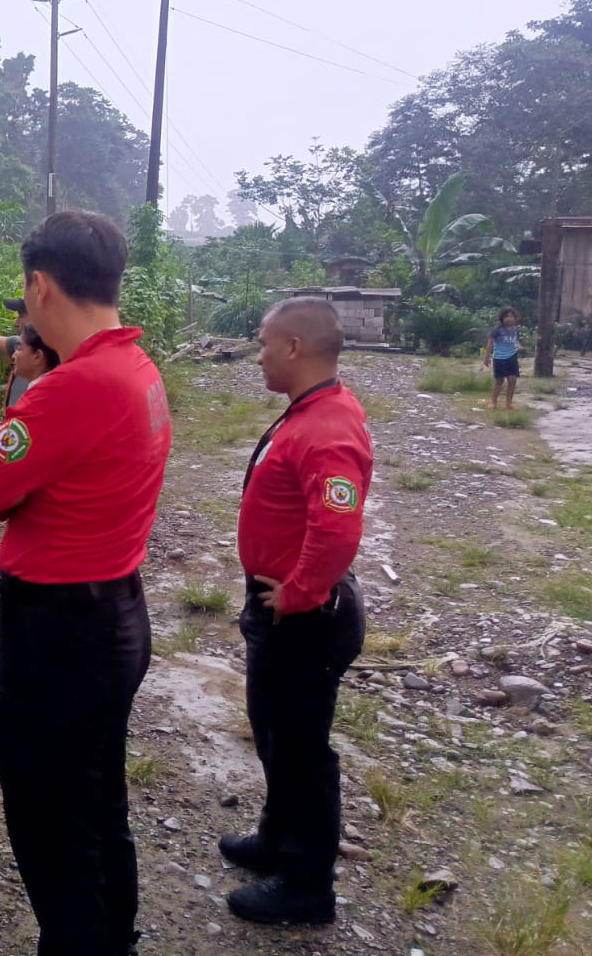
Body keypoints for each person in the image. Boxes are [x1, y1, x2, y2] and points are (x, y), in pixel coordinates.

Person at [0, 210, 173, 956]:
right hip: (112, 612)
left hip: (62, 634)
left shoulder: (75, 386)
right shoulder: (136, 368)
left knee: (52, 820)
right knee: (97, 804)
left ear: (40, 286)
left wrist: (26, 405)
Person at [222, 297, 371, 926]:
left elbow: (337, 527)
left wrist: (299, 593)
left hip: (304, 619)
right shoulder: (309, 410)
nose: (258, 355)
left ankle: (308, 886)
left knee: (303, 752)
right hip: (280, 610)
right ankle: (277, 838)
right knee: (275, 735)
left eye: (263, 343)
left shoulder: (327, 425)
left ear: (293, 347)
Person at [485, 307, 522, 409]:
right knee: (499, 381)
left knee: (512, 380)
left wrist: (519, 346)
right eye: (506, 316)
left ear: (515, 318)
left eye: (511, 316)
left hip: (512, 357)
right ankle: (493, 402)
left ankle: (509, 403)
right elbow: (490, 344)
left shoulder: (515, 330)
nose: (509, 319)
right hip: (499, 358)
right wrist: (487, 357)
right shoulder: (497, 330)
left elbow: (516, 340)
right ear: (502, 318)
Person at [13, 322, 61, 387]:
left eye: (19, 348)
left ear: (37, 356)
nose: (13, 356)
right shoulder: (55, 385)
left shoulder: (39, 391)